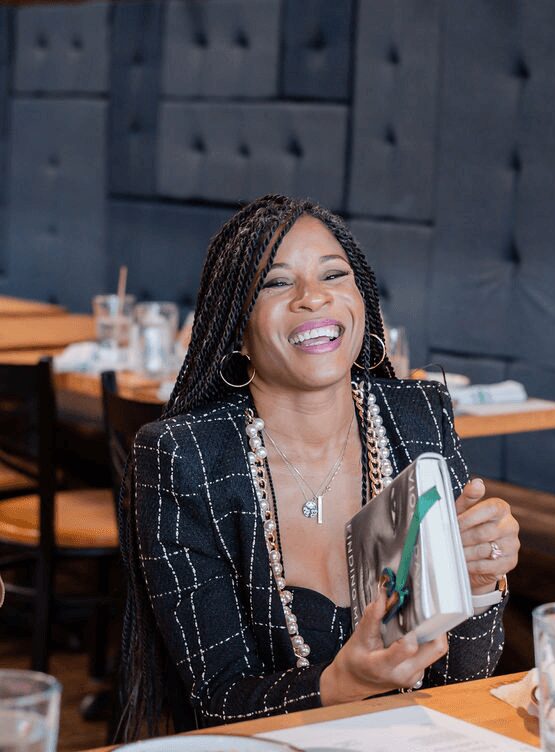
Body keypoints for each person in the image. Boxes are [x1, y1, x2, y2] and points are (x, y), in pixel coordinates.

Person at [118, 195, 520, 738]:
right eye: (277, 282)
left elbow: (461, 681)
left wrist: (475, 585)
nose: (313, 297)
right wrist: (339, 686)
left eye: (333, 274)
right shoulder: (184, 457)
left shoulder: (416, 417)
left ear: (362, 301)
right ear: (237, 326)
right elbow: (216, 702)